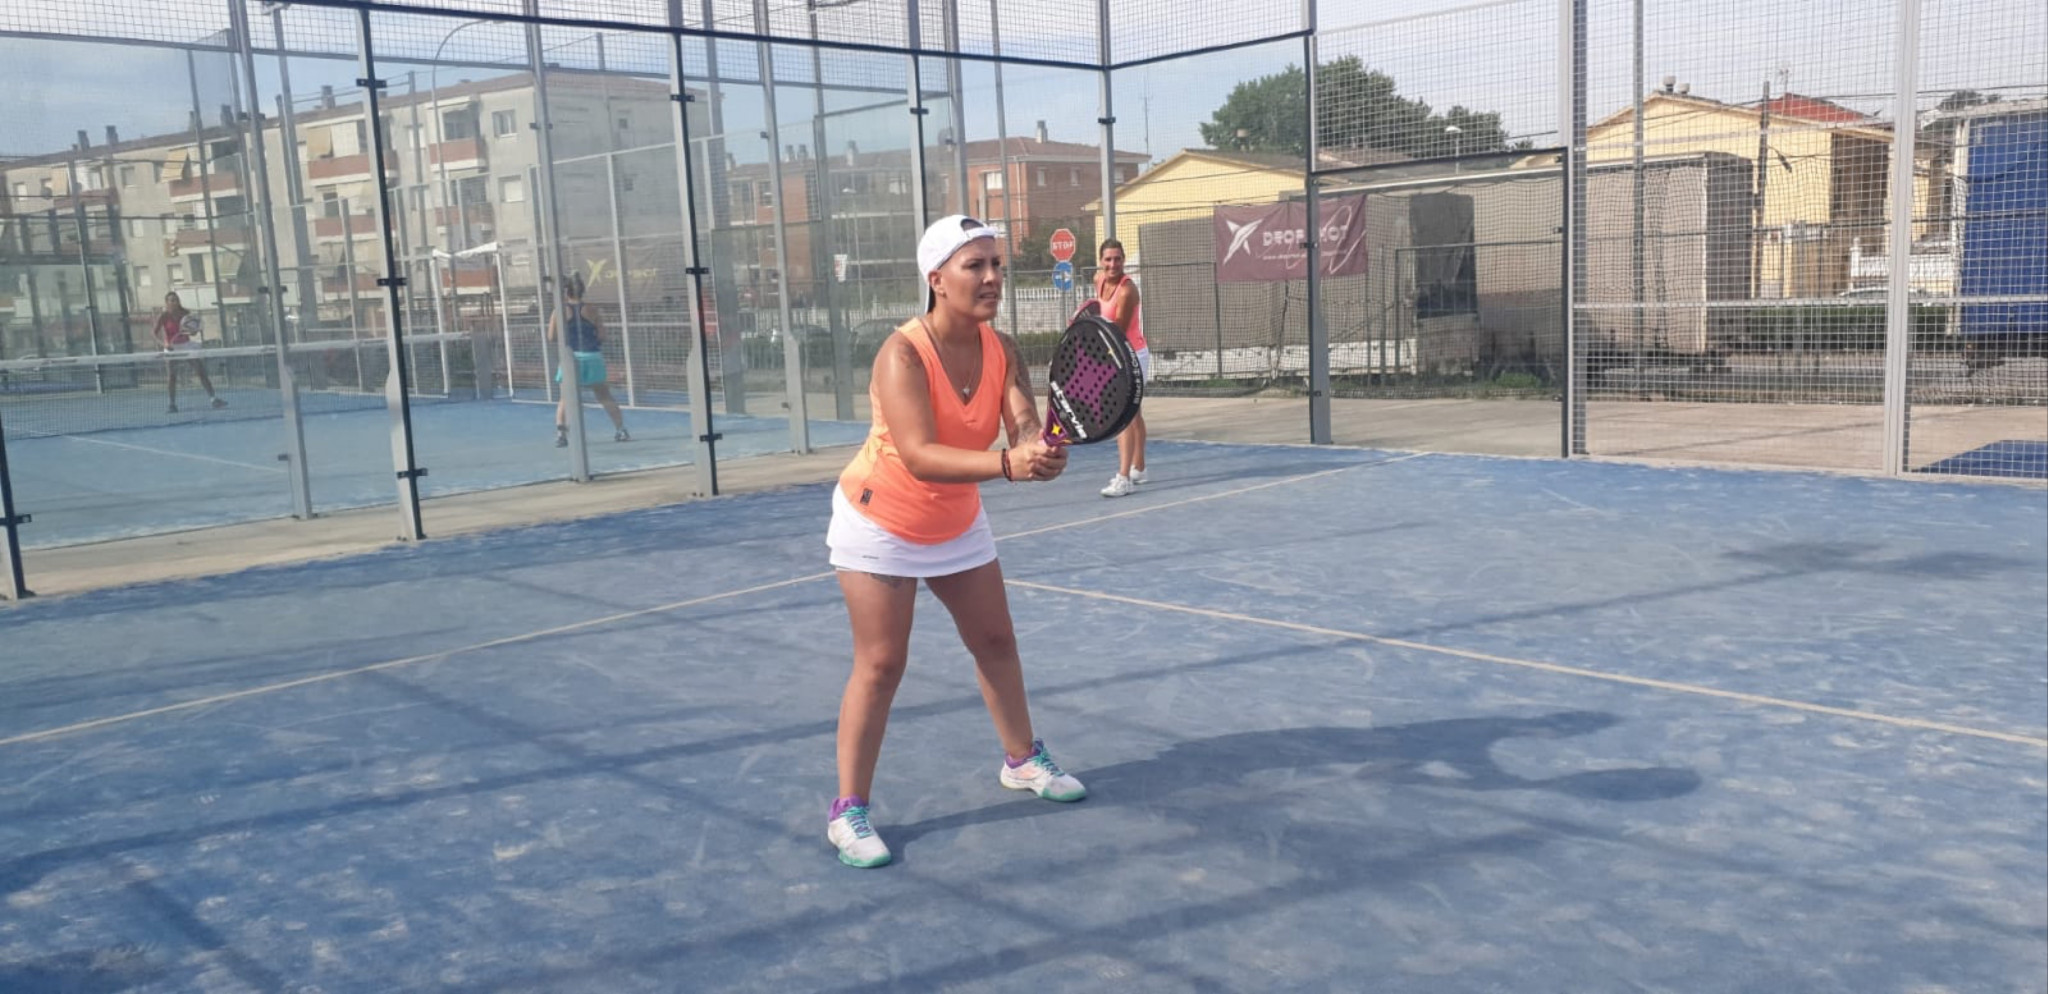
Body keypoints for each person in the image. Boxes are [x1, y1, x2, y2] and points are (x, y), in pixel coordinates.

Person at [823, 214, 1086, 869]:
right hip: (880, 521)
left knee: (995, 641)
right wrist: (1007, 465)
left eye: (997, 265)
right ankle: (848, 811)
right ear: (937, 280)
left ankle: (1021, 760)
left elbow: (1022, 420)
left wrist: (1037, 449)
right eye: (976, 266)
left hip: (956, 519)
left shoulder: (1002, 348)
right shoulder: (902, 355)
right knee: (882, 664)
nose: (992, 276)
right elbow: (917, 454)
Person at [1093, 239, 1148, 497]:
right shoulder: (1098, 280)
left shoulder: (1127, 291)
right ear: (1101, 261)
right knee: (1133, 414)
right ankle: (1140, 468)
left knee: (1123, 415)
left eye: (1117, 259)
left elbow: (1117, 332)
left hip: (1131, 354)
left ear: (1123, 260)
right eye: (1108, 259)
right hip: (1114, 351)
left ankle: (1124, 478)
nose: (1112, 264)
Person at [548, 273, 629, 446]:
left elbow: (551, 337)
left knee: (565, 398)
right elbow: (602, 335)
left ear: (566, 292)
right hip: (592, 357)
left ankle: (561, 435)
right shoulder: (593, 310)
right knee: (604, 396)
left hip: (571, 359)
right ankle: (621, 430)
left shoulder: (559, 311)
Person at [152, 292, 225, 414]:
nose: (174, 302)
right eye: (171, 300)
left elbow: (192, 330)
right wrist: (164, 344)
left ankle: (214, 399)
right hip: (171, 347)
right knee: (172, 376)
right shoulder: (163, 316)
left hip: (186, 345)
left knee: (200, 371)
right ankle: (172, 404)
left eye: (176, 300)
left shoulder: (185, 313)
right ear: (167, 302)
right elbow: (154, 333)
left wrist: (193, 331)